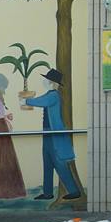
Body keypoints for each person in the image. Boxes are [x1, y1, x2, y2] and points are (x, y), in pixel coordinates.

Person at [26, 69, 82, 203]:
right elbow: (41, 100)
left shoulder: (53, 95)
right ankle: (47, 192)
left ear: (52, 83)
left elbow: (41, 101)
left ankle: (73, 191)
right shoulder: (49, 94)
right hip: (47, 132)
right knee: (48, 163)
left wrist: (26, 100)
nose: (44, 81)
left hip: (53, 133)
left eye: (47, 80)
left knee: (59, 163)